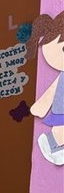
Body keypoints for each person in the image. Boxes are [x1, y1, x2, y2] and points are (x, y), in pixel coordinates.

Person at [27, 10, 64, 165]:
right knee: (59, 131)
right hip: (61, 110)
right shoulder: (61, 77)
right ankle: (52, 144)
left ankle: (53, 146)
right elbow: (51, 91)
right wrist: (40, 107)